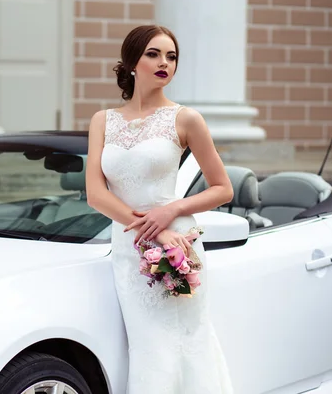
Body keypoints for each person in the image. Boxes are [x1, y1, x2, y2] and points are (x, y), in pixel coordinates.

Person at [85, 25, 235, 393]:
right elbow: (94, 194)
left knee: (184, 341)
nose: (164, 62)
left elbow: (223, 188)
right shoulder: (103, 120)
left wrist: (170, 214)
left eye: (171, 56)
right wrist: (149, 231)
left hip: (177, 245)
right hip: (130, 248)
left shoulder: (186, 119)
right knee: (148, 346)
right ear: (132, 61)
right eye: (153, 53)